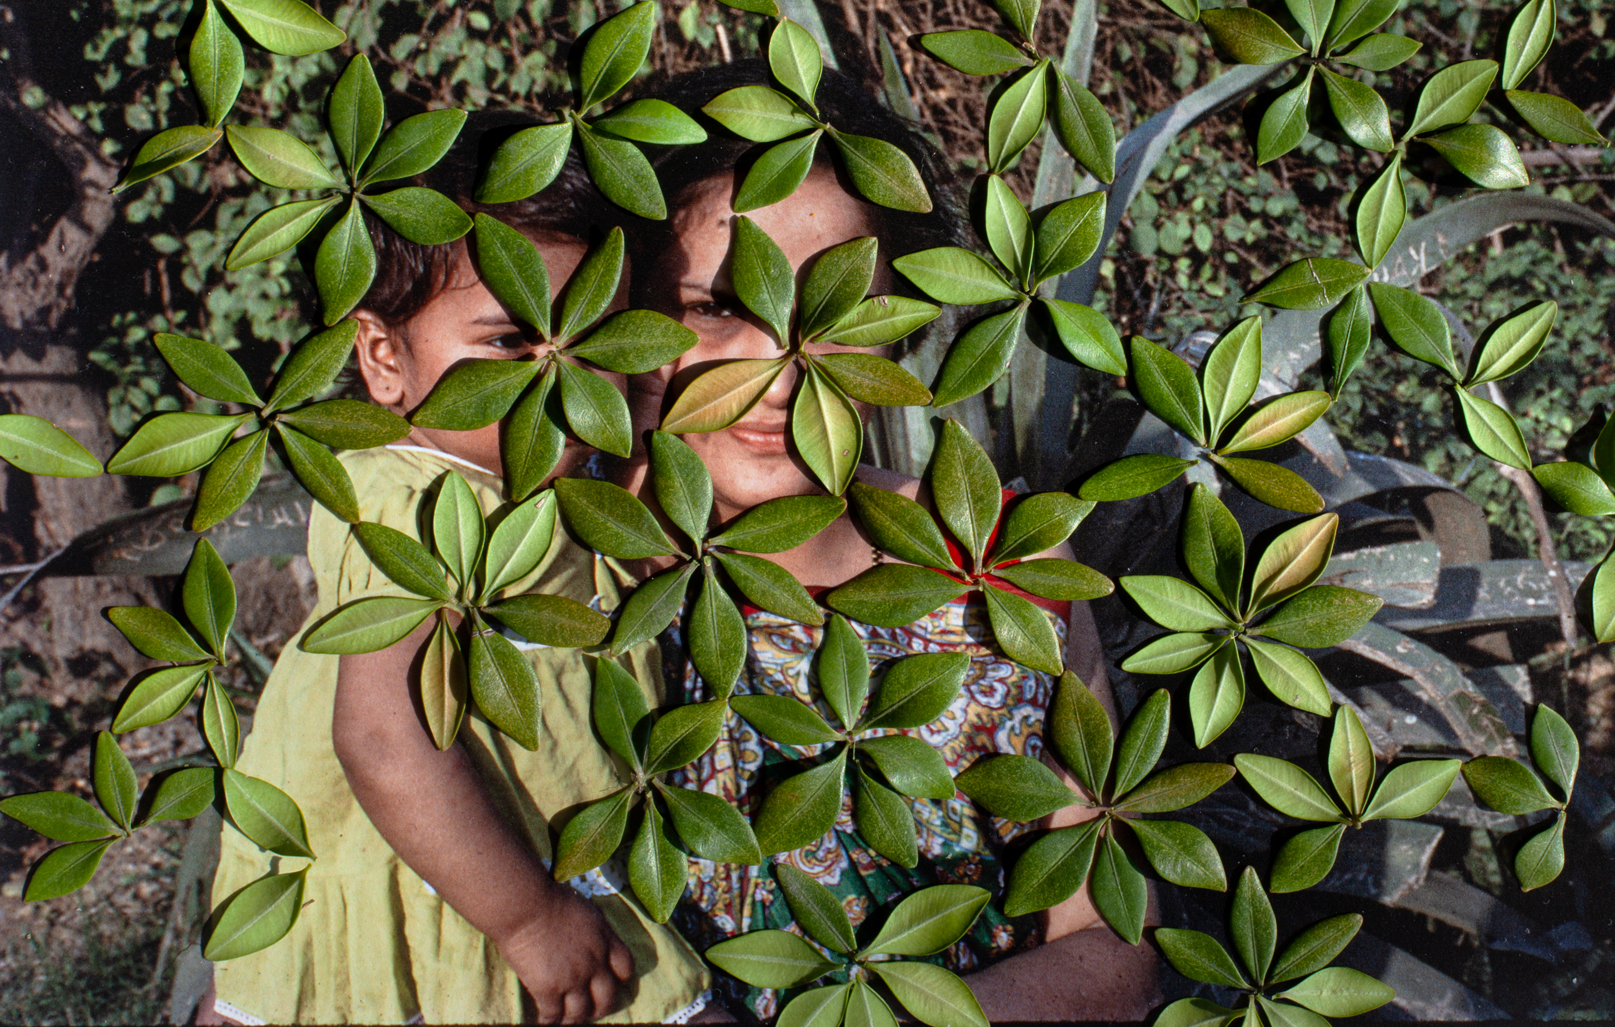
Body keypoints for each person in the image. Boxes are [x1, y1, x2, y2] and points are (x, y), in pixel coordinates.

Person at [624, 62, 1162, 1022]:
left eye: (836, 313)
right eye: (714, 308)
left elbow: (1110, 946)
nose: (778, 367)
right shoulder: (574, 582)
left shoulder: (1000, 567)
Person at [197, 125, 711, 1026]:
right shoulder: (417, 507)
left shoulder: (521, 478)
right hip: (460, 888)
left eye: (594, 338)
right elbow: (386, 739)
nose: (560, 374)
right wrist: (528, 917)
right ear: (384, 358)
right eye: (513, 341)